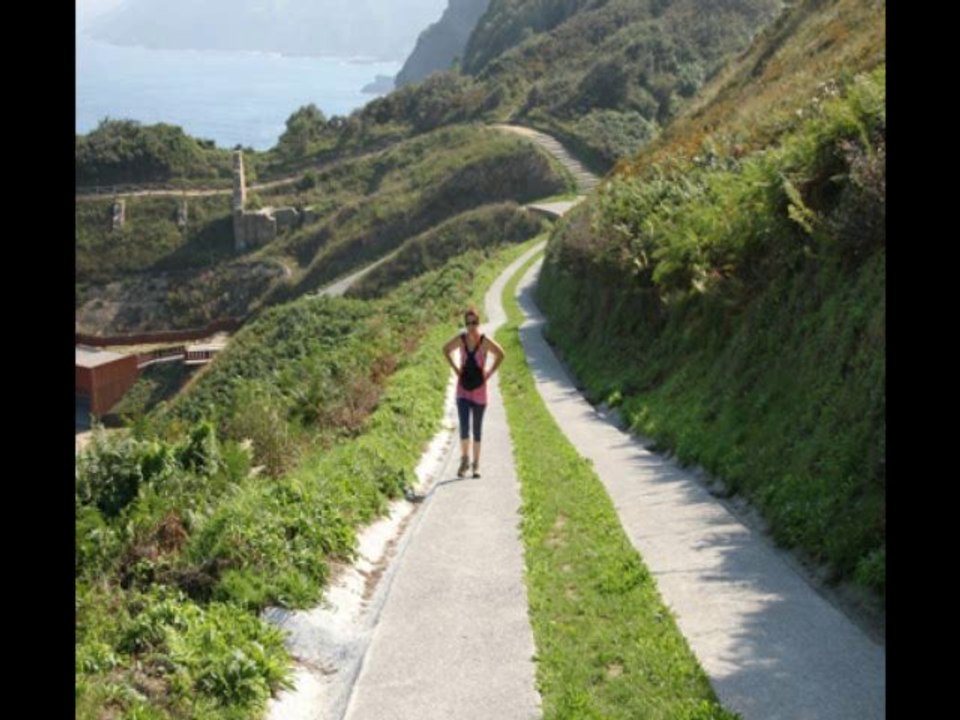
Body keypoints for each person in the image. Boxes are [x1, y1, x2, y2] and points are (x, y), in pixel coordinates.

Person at [442, 307, 505, 478]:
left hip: (479, 391)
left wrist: (489, 373)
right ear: (465, 324)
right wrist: (456, 369)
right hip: (462, 390)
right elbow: (445, 349)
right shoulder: (461, 340)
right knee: (464, 427)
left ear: (479, 323)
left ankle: (476, 465)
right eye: (468, 323)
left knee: (477, 429)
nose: (471, 326)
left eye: (474, 322)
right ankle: (464, 460)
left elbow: (501, 354)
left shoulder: (484, 342)